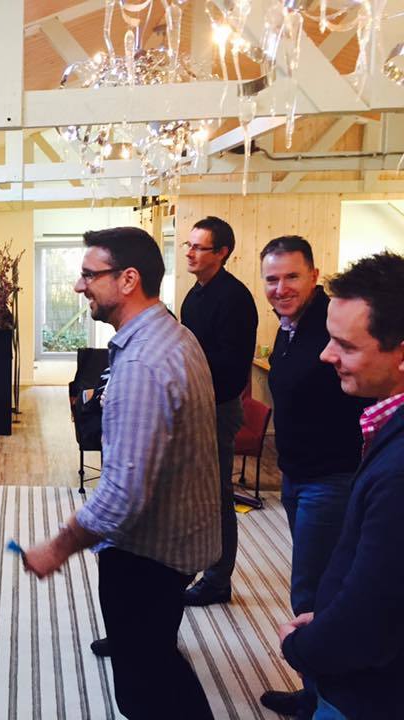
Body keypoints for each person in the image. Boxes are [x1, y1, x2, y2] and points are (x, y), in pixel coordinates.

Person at [23, 227, 220, 720]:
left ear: (128, 279)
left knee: (145, 688)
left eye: (89, 275)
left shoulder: (142, 364)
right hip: (178, 539)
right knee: (155, 655)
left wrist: (57, 547)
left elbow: (121, 496)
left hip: (148, 553)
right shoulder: (175, 335)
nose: (78, 286)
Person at [280, 251, 404, 720]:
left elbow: (371, 613)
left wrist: (300, 648)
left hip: (369, 693)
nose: (326, 355)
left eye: (345, 346)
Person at [257, 237, 370, 719]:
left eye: (292, 277)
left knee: (313, 589)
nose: (281, 288)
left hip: (331, 476)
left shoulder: (330, 324)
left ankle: (322, 698)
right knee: (312, 583)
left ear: (314, 275)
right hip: (297, 474)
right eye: (272, 279)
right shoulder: (289, 327)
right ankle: (316, 691)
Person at [180, 216, 258, 606]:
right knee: (195, 493)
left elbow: (231, 366)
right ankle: (196, 563)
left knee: (217, 495)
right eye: (189, 245)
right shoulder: (194, 296)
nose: (190, 253)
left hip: (218, 408)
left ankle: (217, 579)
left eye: (199, 247)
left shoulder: (235, 298)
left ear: (222, 252)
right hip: (194, 404)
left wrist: (185, 362)